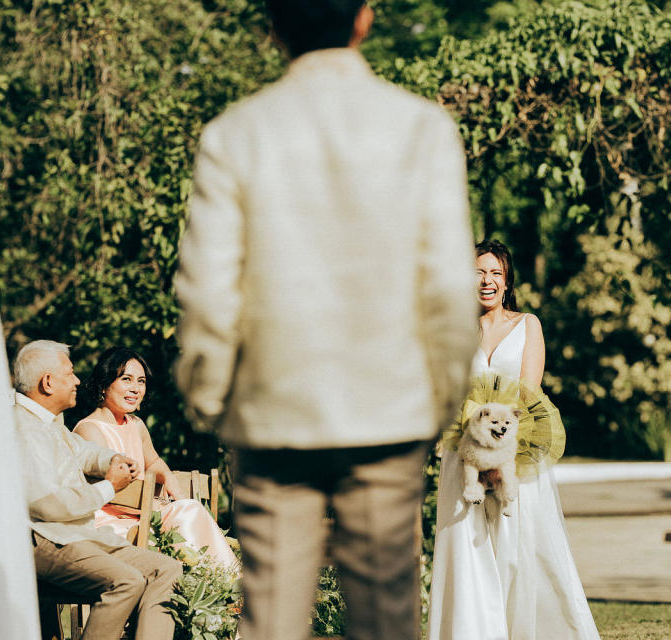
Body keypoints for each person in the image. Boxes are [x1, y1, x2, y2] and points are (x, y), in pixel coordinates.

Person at [173, 0, 479, 637]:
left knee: (273, 621)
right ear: (364, 20)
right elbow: (449, 287)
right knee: (386, 623)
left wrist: (209, 397)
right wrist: (444, 396)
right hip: (390, 412)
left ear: (273, 28)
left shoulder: (236, 133)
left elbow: (208, 290)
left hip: (272, 414)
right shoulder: (421, 128)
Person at [427, 239, 600, 640]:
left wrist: (499, 463)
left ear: (507, 283)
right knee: (466, 553)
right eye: (478, 272)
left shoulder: (527, 325)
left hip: (514, 453)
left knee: (520, 554)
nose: (486, 281)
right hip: (464, 456)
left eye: (495, 274)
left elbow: (528, 396)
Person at [12, 340, 182, 640]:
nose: (78, 380)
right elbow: (48, 505)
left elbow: (84, 451)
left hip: (77, 536)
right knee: (127, 581)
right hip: (47, 538)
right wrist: (108, 487)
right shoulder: (25, 428)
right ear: (48, 383)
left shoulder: (49, 423)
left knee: (166, 569)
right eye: (70, 373)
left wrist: (113, 459)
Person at [73, 346, 239, 568]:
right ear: (104, 384)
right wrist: (158, 508)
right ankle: (221, 584)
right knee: (186, 516)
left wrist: (178, 497)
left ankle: (215, 587)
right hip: (111, 523)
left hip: (143, 514)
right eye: (126, 379)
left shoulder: (136, 425)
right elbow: (109, 492)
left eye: (141, 381)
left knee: (188, 510)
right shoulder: (89, 429)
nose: (135, 388)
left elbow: (155, 464)